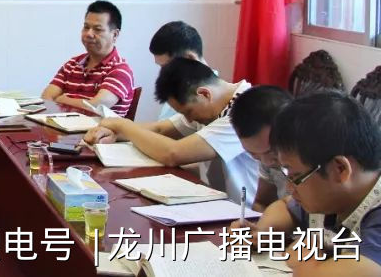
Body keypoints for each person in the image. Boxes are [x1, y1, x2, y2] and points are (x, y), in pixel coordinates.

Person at [84, 57, 260, 205]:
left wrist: (122, 125)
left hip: (242, 213)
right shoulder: (214, 104)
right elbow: (160, 129)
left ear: (204, 94)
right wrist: (113, 132)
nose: (189, 120)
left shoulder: (245, 111)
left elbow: (173, 153)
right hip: (213, 201)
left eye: (189, 112)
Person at [242, 91, 381, 276]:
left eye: (296, 176)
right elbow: (285, 207)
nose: (289, 187)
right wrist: (262, 232)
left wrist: (304, 256)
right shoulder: (331, 196)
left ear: (340, 169)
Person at [41, 0, 135, 116]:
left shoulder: (120, 70)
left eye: (97, 29)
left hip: (98, 128)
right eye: (86, 27)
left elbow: (95, 106)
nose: (89, 34)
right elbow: (46, 98)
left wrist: (63, 99)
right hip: (60, 125)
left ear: (115, 35)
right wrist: (76, 103)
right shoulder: (72, 64)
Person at [229, 85, 293, 209]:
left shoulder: (315, 161)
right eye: (253, 154)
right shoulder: (264, 154)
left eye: (272, 152)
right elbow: (262, 203)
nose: (266, 162)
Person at [148, 20, 209, 121]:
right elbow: (160, 127)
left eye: (166, 67)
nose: (163, 74)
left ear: (189, 59)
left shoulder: (202, 99)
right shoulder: (179, 87)